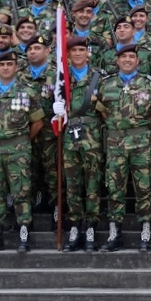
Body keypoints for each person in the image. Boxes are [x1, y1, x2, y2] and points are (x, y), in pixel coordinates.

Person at [94, 45, 151, 252]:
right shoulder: (106, 84)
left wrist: (136, 129)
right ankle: (115, 232)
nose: (128, 60)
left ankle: (145, 231)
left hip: (140, 142)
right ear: (117, 60)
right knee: (115, 189)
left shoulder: (148, 84)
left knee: (143, 188)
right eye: (124, 57)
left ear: (138, 61)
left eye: (132, 57)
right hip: (115, 144)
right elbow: (103, 112)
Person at [0, 49, 44, 252]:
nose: (5, 68)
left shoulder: (28, 91)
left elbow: (38, 122)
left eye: (9, 64)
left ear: (16, 67)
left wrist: (21, 141)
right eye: (1, 65)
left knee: (21, 191)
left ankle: (23, 231)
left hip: (18, 149)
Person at [53, 37, 105, 252]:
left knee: (93, 182)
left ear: (88, 53)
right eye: (73, 51)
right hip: (70, 137)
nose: (77, 54)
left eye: (81, 50)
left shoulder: (98, 77)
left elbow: (108, 109)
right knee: (72, 183)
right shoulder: (61, 79)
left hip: (92, 137)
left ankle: (91, 225)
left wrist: (97, 102)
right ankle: (75, 225)